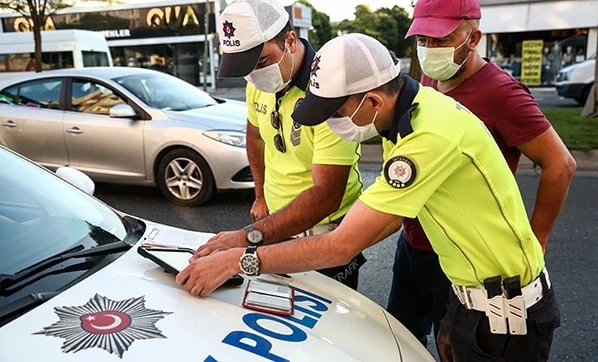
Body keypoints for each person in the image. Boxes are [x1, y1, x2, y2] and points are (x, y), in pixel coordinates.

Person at [177, 33, 562, 362]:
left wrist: (238, 262)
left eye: (335, 111)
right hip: (473, 300)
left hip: (504, 317)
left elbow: (342, 245)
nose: (330, 123)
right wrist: (259, 237)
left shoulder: (426, 139)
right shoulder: (415, 114)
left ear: (374, 101)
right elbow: (379, 222)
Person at [385, 0, 577, 352]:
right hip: (414, 242)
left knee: (455, 348)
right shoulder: (432, 76)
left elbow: (561, 164)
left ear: (473, 38)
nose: (428, 49)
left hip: (465, 262)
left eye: (440, 40)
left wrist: (537, 240)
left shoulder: (502, 93)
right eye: (422, 39)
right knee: (399, 339)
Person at [192, 0, 365, 289]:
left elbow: (326, 195)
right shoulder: (257, 85)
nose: (255, 76)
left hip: (323, 234)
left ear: (290, 40)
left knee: (324, 326)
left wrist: (249, 236)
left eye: (261, 63)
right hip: (273, 226)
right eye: (245, 69)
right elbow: (255, 136)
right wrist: (260, 196)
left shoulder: (328, 89)